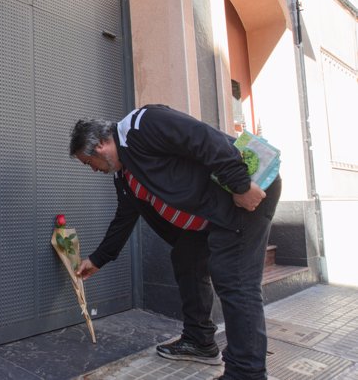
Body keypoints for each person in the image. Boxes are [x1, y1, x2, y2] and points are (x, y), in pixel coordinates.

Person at [69, 104, 281, 380]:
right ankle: (200, 340)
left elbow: (204, 137)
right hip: (208, 216)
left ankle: (246, 373)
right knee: (186, 258)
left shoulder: (143, 124)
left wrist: (240, 185)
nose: (93, 171)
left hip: (243, 194)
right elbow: (124, 219)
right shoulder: (125, 175)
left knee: (236, 281)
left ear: (99, 146)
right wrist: (98, 260)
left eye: (88, 164)